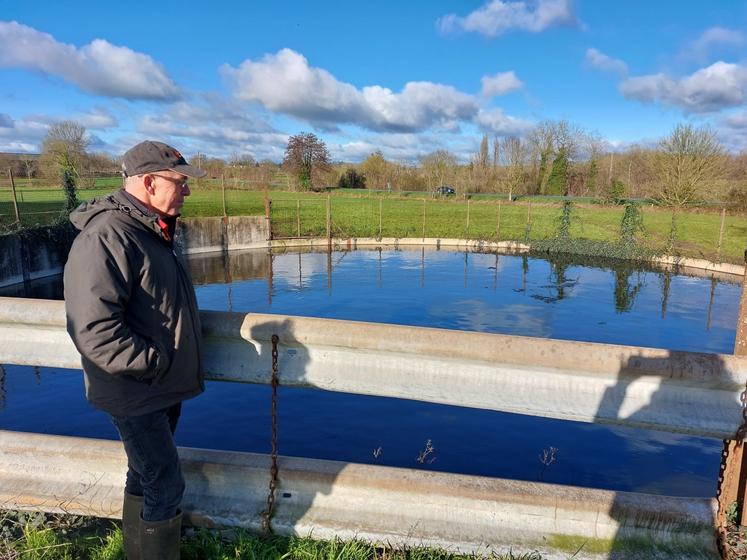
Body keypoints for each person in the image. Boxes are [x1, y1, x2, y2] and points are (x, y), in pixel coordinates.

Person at [63, 140, 206, 560]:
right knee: (166, 483)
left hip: (156, 383)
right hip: (136, 387)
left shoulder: (149, 229)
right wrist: (153, 362)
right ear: (148, 182)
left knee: (144, 474)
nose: (187, 191)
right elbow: (93, 327)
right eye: (180, 182)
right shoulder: (108, 235)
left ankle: (136, 552)